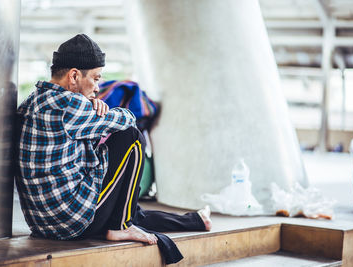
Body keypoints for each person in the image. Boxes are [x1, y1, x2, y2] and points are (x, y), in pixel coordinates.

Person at [15, 34, 211, 263]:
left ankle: (196, 220)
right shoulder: (72, 104)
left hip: (43, 225)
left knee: (127, 207)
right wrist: (102, 110)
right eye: (96, 79)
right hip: (74, 223)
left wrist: (92, 108)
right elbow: (128, 120)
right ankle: (121, 226)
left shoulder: (32, 100)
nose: (98, 87)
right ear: (75, 76)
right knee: (132, 138)